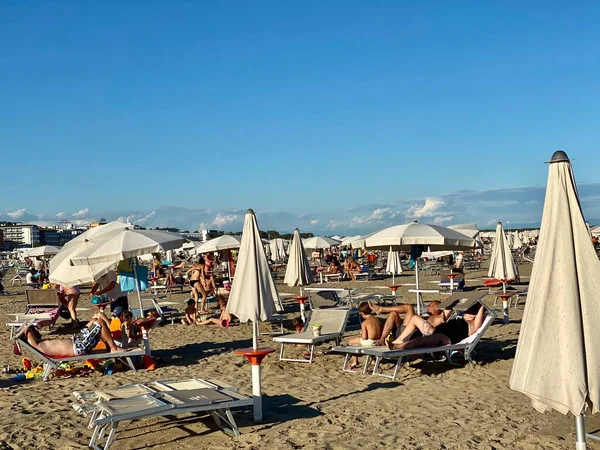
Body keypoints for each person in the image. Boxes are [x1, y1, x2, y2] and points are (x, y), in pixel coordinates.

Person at [387, 303, 487, 350]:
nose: (465, 312)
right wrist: (455, 300)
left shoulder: (473, 325)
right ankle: (399, 340)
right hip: (437, 331)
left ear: (474, 315)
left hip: (446, 338)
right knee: (414, 318)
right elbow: (447, 312)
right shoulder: (461, 318)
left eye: (469, 311)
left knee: (418, 340)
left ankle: (396, 347)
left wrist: (481, 304)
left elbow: (480, 311)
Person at [16, 313, 122, 357]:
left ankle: (109, 343)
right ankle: (113, 347)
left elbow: (27, 328)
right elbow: (26, 327)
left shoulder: (41, 343)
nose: (37, 330)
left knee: (95, 319)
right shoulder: (37, 345)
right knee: (100, 323)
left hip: (77, 340)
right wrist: (22, 331)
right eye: (35, 330)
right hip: (79, 346)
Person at [345, 302, 383, 369]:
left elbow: (364, 337)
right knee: (358, 342)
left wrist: (362, 333)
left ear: (362, 313)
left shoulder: (364, 323)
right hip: (378, 341)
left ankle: (355, 361)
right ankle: (373, 360)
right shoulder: (377, 320)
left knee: (350, 342)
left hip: (370, 342)